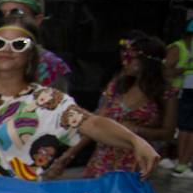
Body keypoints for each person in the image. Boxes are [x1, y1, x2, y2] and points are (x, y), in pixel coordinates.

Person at [0, 17, 159, 180]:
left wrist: (135, 141)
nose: (7, 49)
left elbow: (93, 124)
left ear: (31, 55)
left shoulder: (49, 102)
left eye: (18, 44)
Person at [50, 33, 176, 177]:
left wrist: (137, 130)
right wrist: (68, 155)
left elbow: (168, 133)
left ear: (147, 62)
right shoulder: (118, 86)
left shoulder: (165, 93)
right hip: (103, 162)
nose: (124, 62)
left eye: (130, 58)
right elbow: (96, 123)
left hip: (136, 165)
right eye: (124, 57)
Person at [0, 0, 71, 91]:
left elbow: (57, 100)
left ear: (37, 20)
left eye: (16, 13)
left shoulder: (51, 65)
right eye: (1, 14)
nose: (7, 19)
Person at [165, 16, 193, 176]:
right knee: (184, 127)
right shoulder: (178, 48)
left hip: (184, 91)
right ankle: (180, 163)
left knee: (184, 127)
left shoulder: (187, 48)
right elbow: (165, 71)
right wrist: (182, 70)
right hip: (178, 92)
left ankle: (180, 161)